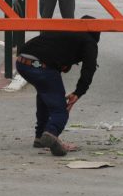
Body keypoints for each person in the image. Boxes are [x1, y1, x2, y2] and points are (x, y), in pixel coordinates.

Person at [15, 19, 100, 156]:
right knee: (60, 110)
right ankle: (51, 133)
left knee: (44, 93)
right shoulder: (89, 42)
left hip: (22, 63)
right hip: (41, 66)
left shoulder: (65, 29)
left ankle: (40, 137)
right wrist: (78, 93)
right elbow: (89, 69)